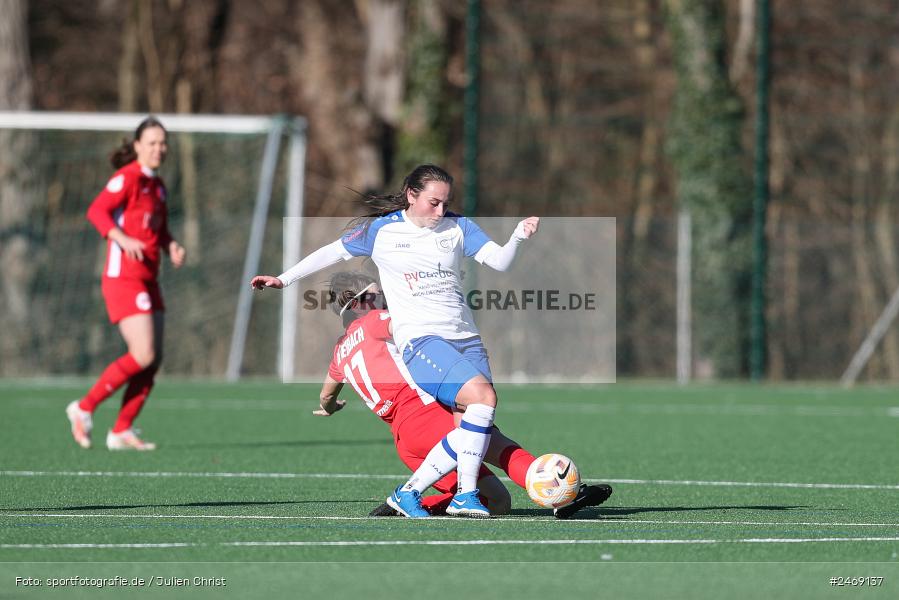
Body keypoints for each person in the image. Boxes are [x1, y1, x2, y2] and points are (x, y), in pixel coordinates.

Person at [252, 164, 538, 518]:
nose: (440, 211)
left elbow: (500, 261)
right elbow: (331, 252)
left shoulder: (459, 226)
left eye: (445, 203)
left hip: (466, 339)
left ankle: (423, 494)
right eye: (433, 202)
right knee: (483, 399)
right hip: (421, 339)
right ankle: (464, 495)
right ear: (411, 195)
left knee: (472, 425)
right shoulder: (381, 232)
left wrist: (518, 238)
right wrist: (284, 279)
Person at [314, 271, 613, 519]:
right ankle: (561, 499)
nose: (382, 299)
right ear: (361, 303)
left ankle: (407, 506)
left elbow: (326, 395)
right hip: (429, 414)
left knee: (498, 502)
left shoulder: (340, 351)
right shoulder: (374, 320)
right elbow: (413, 324)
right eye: (376, 295)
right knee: (496, 443)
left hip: (406, 441)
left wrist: (330, 407)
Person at [66, 117, 185, 451]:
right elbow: (97, 211)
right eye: (151, 142)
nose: (158, 148)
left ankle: (121, 430)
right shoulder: (127, 177)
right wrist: (121, 239)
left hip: (149, 278)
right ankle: (84, 407)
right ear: (136, 146)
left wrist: (170, 245)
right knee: (142, 353)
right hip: (123, 278)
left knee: (154, 357)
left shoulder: (157, 185)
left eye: (163, 142)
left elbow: (158, 229)